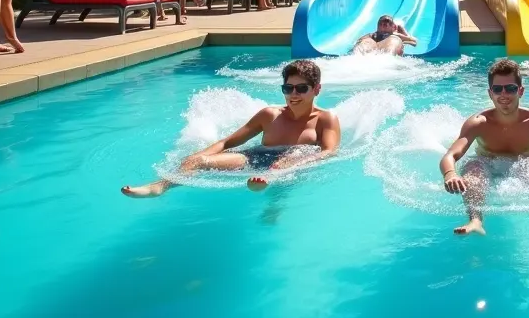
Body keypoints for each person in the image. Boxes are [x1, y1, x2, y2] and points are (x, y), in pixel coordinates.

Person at [122, 59, 341, 197]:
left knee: (287, 161)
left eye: (301, 88)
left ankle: (272, 198)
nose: (293, 94)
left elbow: (329, 152)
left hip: (291, 161)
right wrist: (198, 155)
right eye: (288, 88)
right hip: (257, 156)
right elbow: (228, 142)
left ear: (316, 89)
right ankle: (160, 187)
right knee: (196, 161)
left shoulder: (325, 119)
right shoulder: (270, 115)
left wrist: (294, 162)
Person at [440, 58, 529, 237]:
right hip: (487, 162)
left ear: (520, 91)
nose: (504, 94)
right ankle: (475, 221)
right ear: (490, 93)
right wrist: (450, 174)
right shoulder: (478, 122)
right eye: (497, 89)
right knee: (472, 173)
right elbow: (450, 155)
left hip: (527, 161)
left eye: (510, 88)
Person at [352, 14, 417, 55]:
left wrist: (404, 41)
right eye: (381, 24)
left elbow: (414, 42)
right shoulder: (373, 35)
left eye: (385, 25)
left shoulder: (395, 35)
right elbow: (413, 41)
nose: (383, 26)